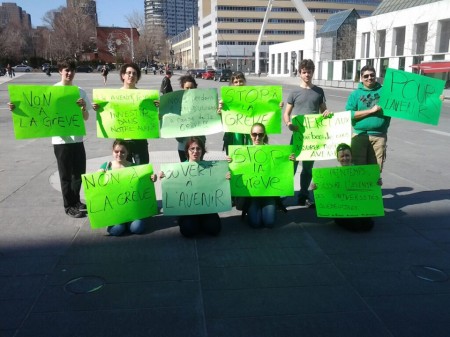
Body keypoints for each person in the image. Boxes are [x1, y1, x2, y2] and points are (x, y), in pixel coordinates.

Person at [8, 59, 93, 218]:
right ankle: (68, 206)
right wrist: (16, 108)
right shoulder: (51, 91)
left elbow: (86, 117)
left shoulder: (80, 91)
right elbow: (35, 109)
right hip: (61, 141)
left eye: (72, 70)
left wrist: (82, 108)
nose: (69, 73)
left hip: (77, 139)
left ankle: (76, 200)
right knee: (65, 175)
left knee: (79, 173)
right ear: (60, 71)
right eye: (66, 70)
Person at [283, 59, 329, 207]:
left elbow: (323, 111)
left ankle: (304, 194)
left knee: (308, 168)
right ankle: (283, 193)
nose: (307, 74)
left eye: (309, 72)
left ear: (312, 72)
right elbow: (286, 114)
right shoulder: (294, 92)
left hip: (312, 137)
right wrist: (288, 124)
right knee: (292, 166)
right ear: (300, 73)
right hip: (297, 135)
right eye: (304, 72)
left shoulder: (319, 91)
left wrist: (326, 113)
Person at [228, 123, 294, 229]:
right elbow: (235, 174)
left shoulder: (272, 151)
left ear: (264, 135)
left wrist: (289, 160)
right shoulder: (242, 153)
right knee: (255, 223)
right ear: (250, 135)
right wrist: (231, 163)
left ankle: (267, 207)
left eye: (260, 134)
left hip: (268, 194)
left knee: (269, 223)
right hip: (252, 196)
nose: (257, 137)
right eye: (254, 134)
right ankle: (253, 209)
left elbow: (282, 171)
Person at [159, 137, 226, 238]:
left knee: (214, 229)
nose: (195, 151)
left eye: (198, 148)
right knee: (189, 231)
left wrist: (226, 177)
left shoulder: (211, 167)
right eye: (192, 149)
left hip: (206, 208)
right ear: (187, 151)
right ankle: (190, 221)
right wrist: (164, 177)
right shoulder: (179, 169)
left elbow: (219, 182)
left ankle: (202, 222)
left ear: (202, 150)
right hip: (188, 210)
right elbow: (173, 188)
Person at [312, 143, 380, 232]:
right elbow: (326, 190)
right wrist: (316, 187)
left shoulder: (360, 171)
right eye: (342, 156)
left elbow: (370, 186)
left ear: (351, 156)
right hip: (342, 208)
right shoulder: (332, 173)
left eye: (347, 155)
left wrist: (377, 183)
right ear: (338, 158)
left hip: (357, 205)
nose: (345, 158)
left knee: (367, 223)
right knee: (356, 225)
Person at [99, 139, 157, 236]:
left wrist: (152, 179)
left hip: (132, 209)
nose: (119, 154)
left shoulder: (134, 167)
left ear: (127, 153)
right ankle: (119, 224)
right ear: (112, 152)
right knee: (116, 230)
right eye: (116, 151)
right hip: (115, 210)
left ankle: (127, 223)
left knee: (137, 228)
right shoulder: (106, 166)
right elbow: (96, 182)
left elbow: (144, 182)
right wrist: (99, 175)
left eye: (123, 152)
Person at [345, 64, 390, 172]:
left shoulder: (386, 92)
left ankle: (373, 189)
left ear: (375, 76)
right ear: (361, 78)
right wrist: (371, 111)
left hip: (379, 137)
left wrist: (436, 98)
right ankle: (360, 189)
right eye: (366, 76)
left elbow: (408, 99)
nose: (369, 78)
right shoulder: (355, 94)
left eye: (372, 75)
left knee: (375, 170)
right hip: (359, 136)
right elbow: (349, 114)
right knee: (358, 169)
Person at [118, 63, 150, 165]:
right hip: (122, 139)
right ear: (123, 75)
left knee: (142, 169)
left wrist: (154, 108)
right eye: (129, 73)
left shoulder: (144, 96)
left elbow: (149, 117)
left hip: (139, 139)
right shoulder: (114, 95)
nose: (131, 75)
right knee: (124, 172)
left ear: (137, 78)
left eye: (134, 74)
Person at [175, 75, 207, 162]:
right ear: (183, 88)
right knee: (185, 170)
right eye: (187, 88)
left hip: (198, 145)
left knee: (198, 169)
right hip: (183, 145)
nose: (189, 90)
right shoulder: (176, 103)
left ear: (195, 88)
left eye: (192, 88)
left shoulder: (203, 102)